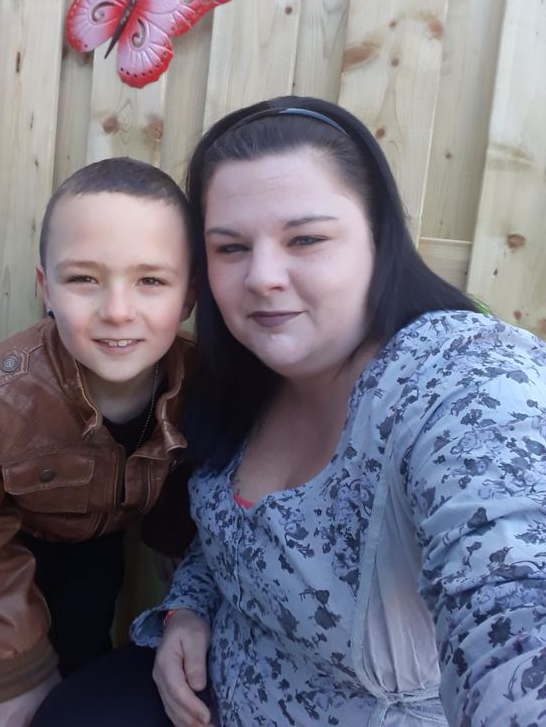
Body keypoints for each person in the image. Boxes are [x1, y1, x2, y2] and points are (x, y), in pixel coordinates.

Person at [30, 97, 546, 727]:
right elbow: (228, 541)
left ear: (379, 237)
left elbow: (514, 604)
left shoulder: (466, 380)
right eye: (230, 247)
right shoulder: (242, 373)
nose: (263, 277)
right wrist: (186, 609)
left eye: (306, 239)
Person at [0, 157, 197, 727]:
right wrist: (20, 670)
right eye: (84, 279)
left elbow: (189, 472)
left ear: (189, 297)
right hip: (6, 554)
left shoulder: (198, 383)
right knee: (3, 693)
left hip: (100, 545)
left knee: (83, 653)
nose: (117, 312)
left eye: (151, 281)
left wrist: (172, 543)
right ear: (46, 287)